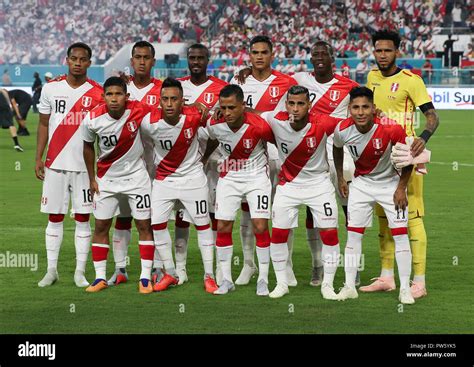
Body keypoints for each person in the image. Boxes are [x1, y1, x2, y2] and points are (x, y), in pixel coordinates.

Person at [364, 30, 440, 299]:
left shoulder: (412, 80)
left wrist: (422, 138)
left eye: (387, 50)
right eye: (378, 50)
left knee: (412, 218)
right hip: (378, 157)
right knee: (384, 217)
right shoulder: (371, 77)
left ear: (397, 51)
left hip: (404, 155)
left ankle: (419, 282)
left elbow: (432, 117)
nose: (382, 55)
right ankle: (387, 276)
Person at [259, 85, 344, 299]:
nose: (295, 109)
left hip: (319, 185)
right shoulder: (275, 119)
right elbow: (250, 114)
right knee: (278, 234)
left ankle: (328, 284)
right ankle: (281, 283)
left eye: (300, 104)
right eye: (291, 103)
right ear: (286, 104)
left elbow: (351, 124)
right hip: (288, 187)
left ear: (309, 105)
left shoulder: (324, 121)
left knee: (329, 233)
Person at [333, 86, 415, 305]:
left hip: (390, 185)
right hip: (361, 185)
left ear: (373, 108)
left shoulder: (391, 129)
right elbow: (337, 147)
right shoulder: (342, 129)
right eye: (356, 107)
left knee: (400, 235)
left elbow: (408, 160)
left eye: (365, 107)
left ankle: (405, 289)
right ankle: (350, 286)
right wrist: (341, 176)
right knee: (353, 235)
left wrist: (400, 188)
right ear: (349, 109)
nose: (360, 112)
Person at [140, 78, 218, 294]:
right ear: (159, 100)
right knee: (157, 224)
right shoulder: (149, 122)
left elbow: (216, 132)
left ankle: (209, 276)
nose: (169, 104)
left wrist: (203, 159)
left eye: (174, 99)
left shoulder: (195, 116)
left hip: (194, 179)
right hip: (164, 181)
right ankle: (171, 273)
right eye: (165, 99)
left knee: (203, 225)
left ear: (183, 101)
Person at [35, 42, 103, 288]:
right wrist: (38, 158)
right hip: (54, 164)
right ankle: (51, 270)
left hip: (85, 168)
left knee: (83, 218)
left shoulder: (98, 93)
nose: (77, 62)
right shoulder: (51, 89)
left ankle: (79, 272)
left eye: (82, 59)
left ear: (89, 63)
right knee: (54, 217)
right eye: (73, 58)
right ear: (66, 60)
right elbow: (43, 124)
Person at [231, 35, 297, 287]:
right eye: (254, 52)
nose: (259, 56)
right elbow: (229, 113)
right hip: (248, 156)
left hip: (279, 155)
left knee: (283, 213)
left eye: (263, 52)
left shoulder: (287, 82)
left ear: (272, 55)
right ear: (249, 55)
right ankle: (249, 265)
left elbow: (291, 114)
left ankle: (286, 265)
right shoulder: (238, 81)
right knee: (248, 214)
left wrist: (253, 113)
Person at [291, 41, 358, 287]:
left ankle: (353, 266)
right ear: (310, 59)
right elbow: (271, 80)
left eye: (324, 54)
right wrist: (243, 72)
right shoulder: (299, 80)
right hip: (311, 153)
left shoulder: (348, 86)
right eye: (315, 54)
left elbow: (365, 109)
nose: (319, 57)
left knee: (350, 209)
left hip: (342, 153)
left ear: (332, 58)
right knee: (313, 211)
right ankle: (317, 265)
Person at [82, 76, 155, 294]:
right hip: (107, 180)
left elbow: (166, 109)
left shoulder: (139, 109)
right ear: (103, 96)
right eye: (110, 94)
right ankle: (100, 277)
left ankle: (144, 277)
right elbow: (87, 147)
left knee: (144, 225)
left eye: (118, 94)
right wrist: (91, 178)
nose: (114, 99)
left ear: (126, 96)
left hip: (137, 179)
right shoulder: (92, 118)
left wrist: (193, 106)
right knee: (102, 226)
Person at [204, 85, 273, 296]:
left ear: (244, 106)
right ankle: (226, 280)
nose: (227, 113)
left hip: (256, 178)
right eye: (223, 108)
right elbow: (212, 137)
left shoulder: (260, 125)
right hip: (229, 178)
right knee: (223, 225)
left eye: (232, 107)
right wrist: (204, 158)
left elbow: (279, 142)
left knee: (260, 226)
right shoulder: (214, 123)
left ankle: (263, 279)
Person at [106, 40, 163, 287]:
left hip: (155, 165)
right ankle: (120, 269)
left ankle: (157, 268)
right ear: (131, 61)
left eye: (146, 57)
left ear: (153, 62)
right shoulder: (120, 88)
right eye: (137, 57)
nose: (141, 61)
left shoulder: (164, 89)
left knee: (153, 219)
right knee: (123, 217)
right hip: (122, 167)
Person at [175, 43, 228, 285]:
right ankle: (180, 267)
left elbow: (228, 121)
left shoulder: (221, 88)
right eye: (192, 58)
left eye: (201, 58)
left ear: (208, 59)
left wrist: (204, 158)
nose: (196, 62)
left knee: (214, 215)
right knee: (183, 215)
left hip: (213, 160)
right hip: (184, 160)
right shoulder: (178, 86)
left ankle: (215, 267)